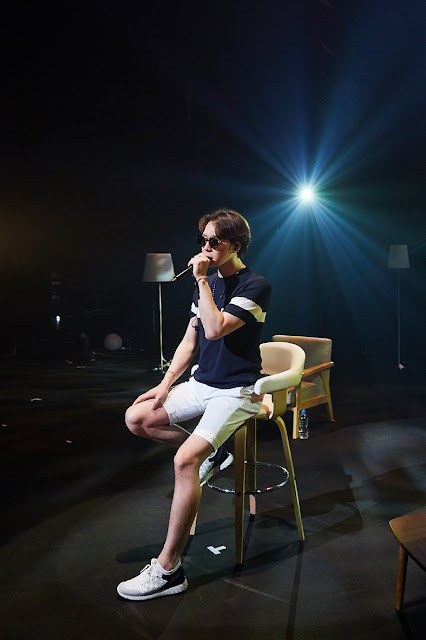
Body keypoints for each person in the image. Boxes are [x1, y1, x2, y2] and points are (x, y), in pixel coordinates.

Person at [117, 208, 271, 601]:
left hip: (236, 391)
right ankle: (214, 455)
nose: (205, 247)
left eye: (214, 241)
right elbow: (192, 338)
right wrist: (165, 384)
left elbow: (216, 329)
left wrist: (202, 279)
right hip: (202, 383)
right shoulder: (208, 283)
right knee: (138, 417)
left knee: (184, 461)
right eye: (202, 240)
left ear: (235, 245)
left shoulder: (255, 285)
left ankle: (169, 570)